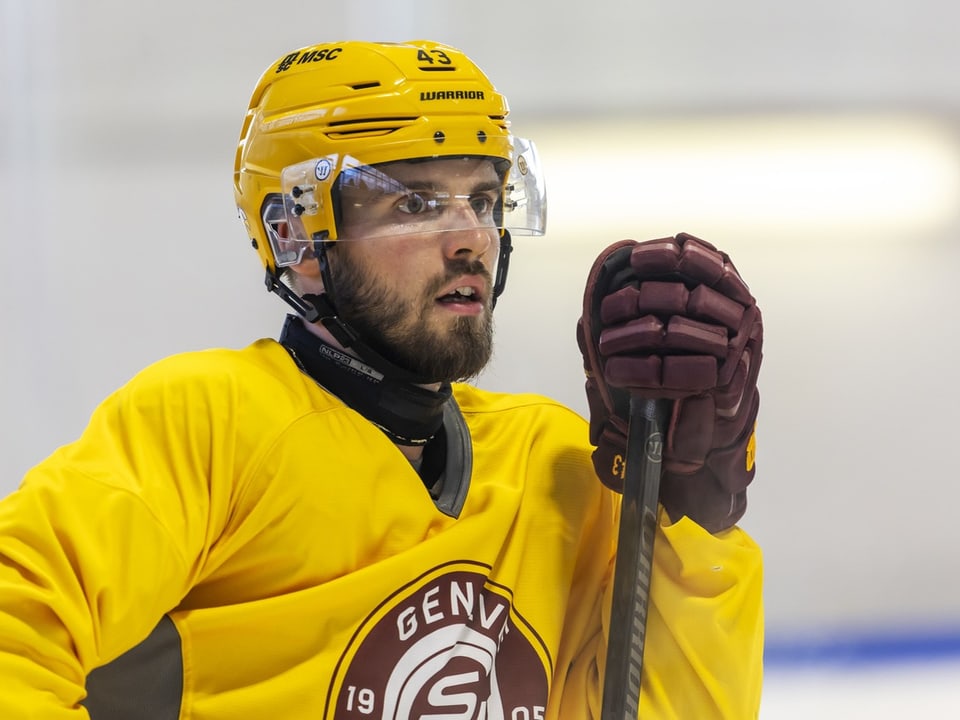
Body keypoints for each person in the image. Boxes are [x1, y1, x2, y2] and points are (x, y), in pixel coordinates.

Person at [0, 40, 764, 718]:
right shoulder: (210, 422)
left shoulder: (551, 465)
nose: (471, 238)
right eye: (417, 203)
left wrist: (692, 521)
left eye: (485, 199)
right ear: (296, 236)